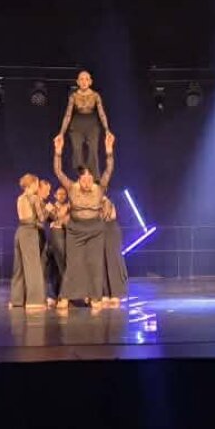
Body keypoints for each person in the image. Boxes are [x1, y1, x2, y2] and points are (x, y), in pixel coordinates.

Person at [53, 131, 115, 310]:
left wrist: (109, 151)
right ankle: (65, 296)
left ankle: (95, 297)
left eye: (89, 178)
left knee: (95, 263)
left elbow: (109, 170)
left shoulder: (99, 188)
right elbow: (58, 172)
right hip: (76, 230)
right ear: (79, 178)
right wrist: (58, 152)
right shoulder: (71, 188)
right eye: (83, 178)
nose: (87, 181)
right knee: (74, 263)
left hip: (95, 230)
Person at [56, 70, 112, 181]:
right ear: (77, 82)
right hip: (77, 122)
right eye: (81, 79)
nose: (84, 81)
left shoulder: (95, 95)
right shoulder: (73, 96)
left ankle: (95, 178)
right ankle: (82, 173)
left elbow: (101, 113)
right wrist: (61, 133)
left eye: (86, 79)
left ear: (90, 82)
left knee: (93, 150)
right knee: (77, 149)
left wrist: (107, 129)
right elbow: (68, 115)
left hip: (92, 122)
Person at [9, 173, 47, 310]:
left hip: (20, 232)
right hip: (30, 232)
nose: (38, 186)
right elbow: (42, 218)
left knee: (19, 267)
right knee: (33, 267)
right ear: (32, 184)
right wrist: (47, 209)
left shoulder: (20, 198)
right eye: (37, 183)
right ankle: (34, 301)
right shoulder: (34, 198)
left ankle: (17, 300)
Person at [43, 184, 70, 308]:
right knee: (52, 269)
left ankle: (63, 295)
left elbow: (65, 221)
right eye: (59, 194)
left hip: (64, 239)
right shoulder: (50, 206)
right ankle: (52, 296)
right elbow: (50, 217)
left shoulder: (69, 208)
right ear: (55, 195)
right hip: (52, 240)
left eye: (64, 194)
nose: (62, 196)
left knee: (62, 267)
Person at [100, 195, 128, 306]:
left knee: (113, 261)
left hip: (110, 229)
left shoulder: (106, 200)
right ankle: (105, 292)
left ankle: (115, 293)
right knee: (101, 261)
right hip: (99, 230)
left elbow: (107, 216)